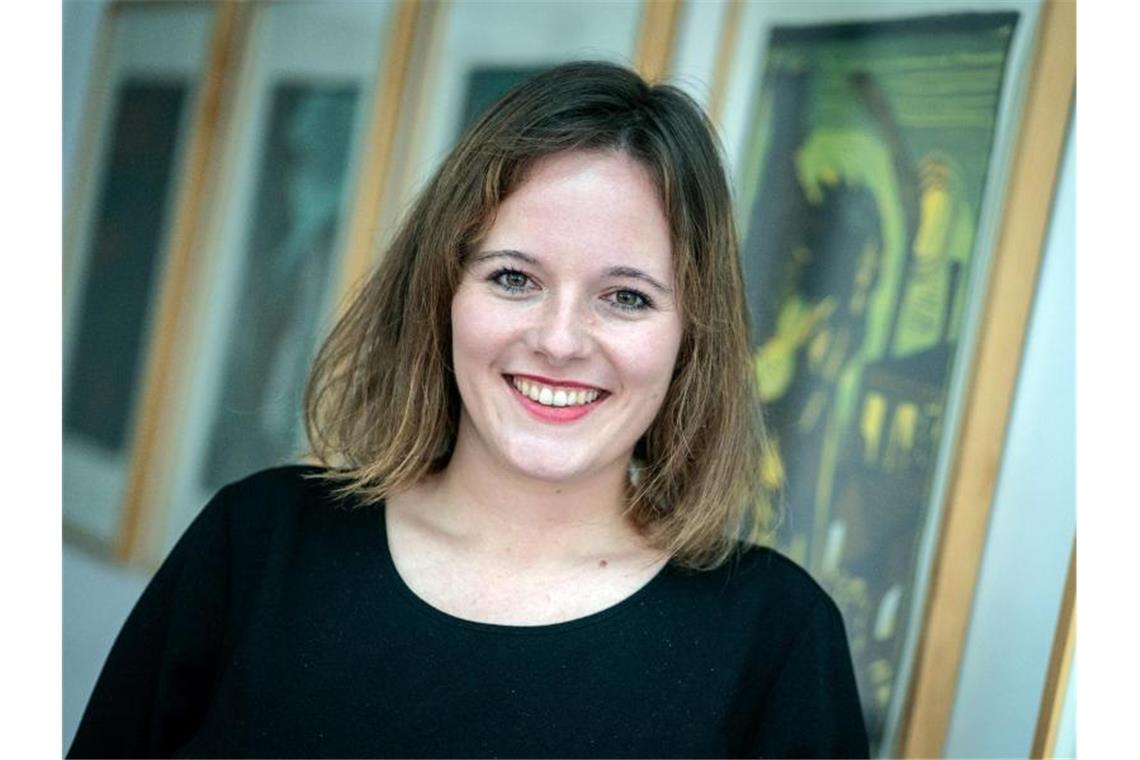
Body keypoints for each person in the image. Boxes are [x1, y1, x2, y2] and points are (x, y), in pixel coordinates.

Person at [69, 61, 869, 758]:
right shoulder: (256, 547)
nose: (559, 341)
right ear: (441, 292)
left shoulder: (776, 642)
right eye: (513, 278)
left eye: (626, 297)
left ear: (692, 334)